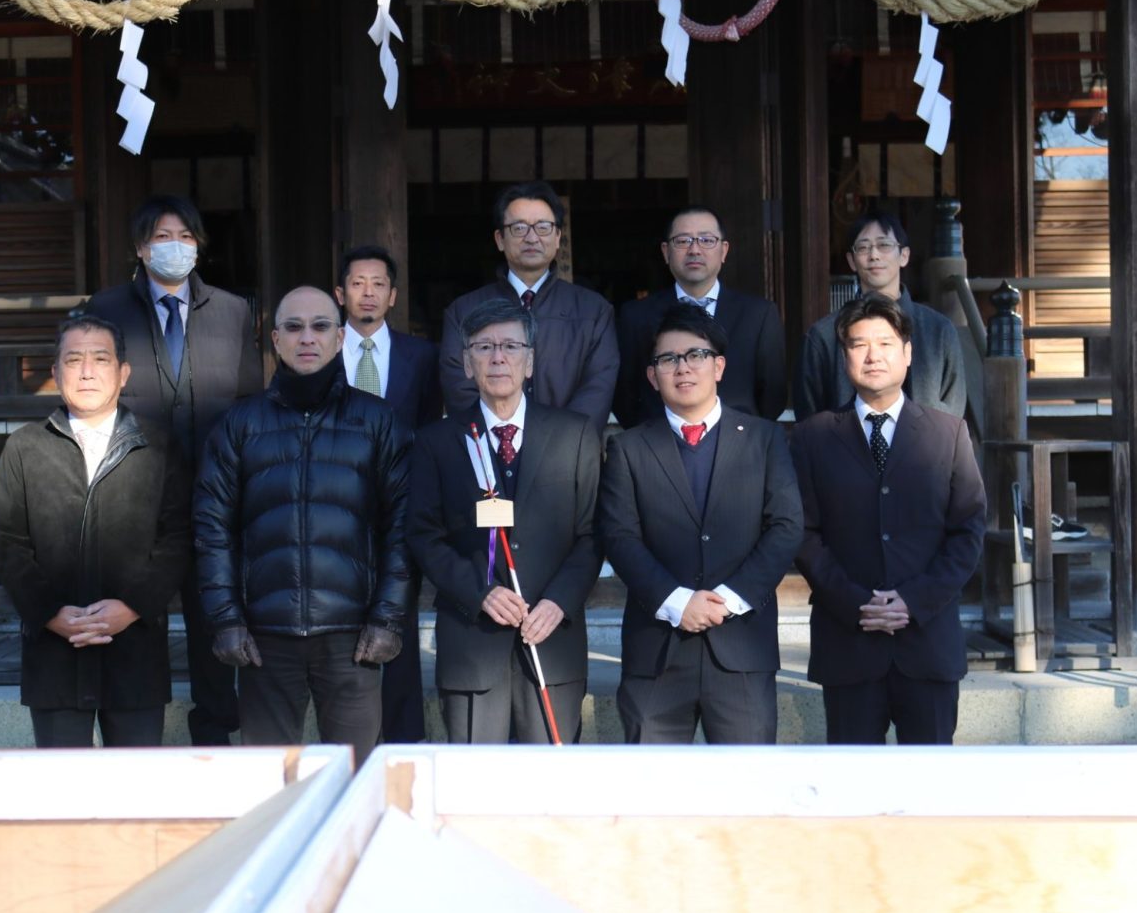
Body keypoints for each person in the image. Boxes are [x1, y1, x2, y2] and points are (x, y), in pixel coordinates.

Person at [193, 286, 410, 765]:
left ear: (340, 338)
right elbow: (212, 529)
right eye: (293, 327)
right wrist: (226, 618)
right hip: (265, 639)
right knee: (271, 781)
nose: (306, 338)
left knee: (355, 779)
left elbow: (400, 528)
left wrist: (387, 617)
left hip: (353, 637)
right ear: (275, 339)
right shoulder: (240, 424)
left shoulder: (378, 421)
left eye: (320, 326)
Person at [85, 194, 263, 746]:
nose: (176, 247)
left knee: (213, 611)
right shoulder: (107, 310)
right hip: (134, 491)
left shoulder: (232, 312)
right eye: (163, 237)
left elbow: (249, 402)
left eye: (186, 237)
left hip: (215, 490)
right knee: (136, 612)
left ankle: (214, 731)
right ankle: (135, 733)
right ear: (141, 248)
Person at [599, 303, 802, 744]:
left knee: (747, 782)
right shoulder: (629, 449)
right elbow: (619, 536)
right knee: (652, 783)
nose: (683, 368)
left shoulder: (764, 439)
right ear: (652, 376)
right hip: (656, 652)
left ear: (719, 366)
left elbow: (786, 527)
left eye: (696, 355)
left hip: (742, 648)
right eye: (668, 359)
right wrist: (677, 601)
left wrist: (727, 600)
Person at [0, 316, 190, 747]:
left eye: (100, 359)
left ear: (123, 372)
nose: (86, 372)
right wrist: (49, 613)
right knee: (63, 782)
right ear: (55, 372)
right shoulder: (25, 447)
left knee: (134, 780)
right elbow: (6, 539)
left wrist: (133, 607)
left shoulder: (158, 444)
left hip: (134, 647)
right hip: (55, 650)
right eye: (73, 360)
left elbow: (178, 537)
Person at [792, 296, 985, 745]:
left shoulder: (947, 433)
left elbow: (967, 530)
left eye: (885, 343)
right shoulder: (812, 436)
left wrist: (914, 601)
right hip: (848, 642)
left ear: (908, 353)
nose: (872, 355)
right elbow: (802, 533)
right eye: (859, 345)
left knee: (930, 776)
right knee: (854, 780)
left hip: (927, 641)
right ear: (844, 357)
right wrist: (858, 602)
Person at [408, 299, 602, 744]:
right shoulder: (437, 441)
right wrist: (479, 592)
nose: (498, 357)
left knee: (550, 777)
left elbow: (594, 532)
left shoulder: (574, 434)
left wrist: (559, 601)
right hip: (471, 643)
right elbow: (423, 535)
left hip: (552, 638)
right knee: (476, 779)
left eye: (511, 346)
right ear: (467, 363)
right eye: (484, 347)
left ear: (529, 362)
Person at [333, 244, 443, 743]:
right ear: (340, 293)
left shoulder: (422, 355)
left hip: (402, 506)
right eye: (357, 283)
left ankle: (403, 742)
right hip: (336, 506)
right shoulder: (320, 348)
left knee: (398, 619)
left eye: (378, 284)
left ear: (393, 295)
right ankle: (350, 740)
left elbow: (431, 429)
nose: (368, 293)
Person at [439, 180, 619, 430]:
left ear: (558, 237)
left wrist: (563, 443)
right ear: (500, 239)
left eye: (543, 227)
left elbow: (597, 388)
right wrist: (504, 439)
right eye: (519, 228)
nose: (532, 237)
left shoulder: (594, 310)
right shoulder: (463, 311)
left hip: (567, 450)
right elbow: (459, 388)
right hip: (489, 450)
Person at [615, 206, 786, 427]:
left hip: (740, 441)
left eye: (706, 240)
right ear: (666, 252)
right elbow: (624, 396)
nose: (694, 249)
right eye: (683, 241)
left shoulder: (759, 315)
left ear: (724, 250)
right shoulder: (636, 316)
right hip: (659, 441)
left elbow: (773, 395)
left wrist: (744, 436)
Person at [793, 211, 966, 421]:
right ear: (851, 260)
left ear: (904, 255)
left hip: (926, 441)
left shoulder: (939, 330)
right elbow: (810, 418)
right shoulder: (823, 335)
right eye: (863, 247)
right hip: (844, 442)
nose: (874, 255)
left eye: (884, 245)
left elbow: (953, 411)